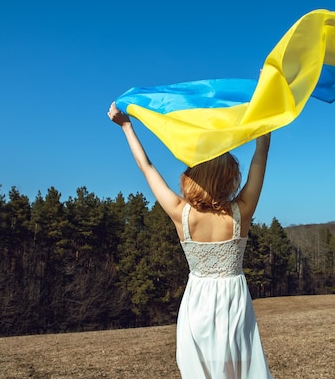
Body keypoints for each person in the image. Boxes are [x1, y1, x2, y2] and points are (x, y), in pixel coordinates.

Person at [108, 101, 274, 379]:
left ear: (191, 177)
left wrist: (126, 126)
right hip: (233, 304)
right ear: (229, 177)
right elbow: (261, 152)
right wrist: (264, 104)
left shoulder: (179, 213)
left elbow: (146, 167)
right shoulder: (241, 211)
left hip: (196, 303)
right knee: (237, 372)